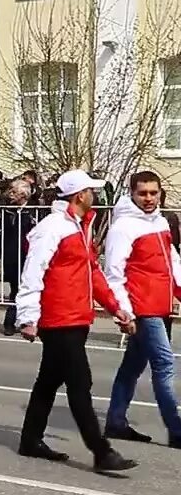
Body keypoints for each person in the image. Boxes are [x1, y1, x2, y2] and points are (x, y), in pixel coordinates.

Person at [15, 169, 137, 472]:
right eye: (90, 191)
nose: (94, 195)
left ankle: (30, 440)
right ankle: (101, 451)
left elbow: (91, 272)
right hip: (59, 320)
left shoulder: (80, 227)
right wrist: (27, 316)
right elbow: (33, 271)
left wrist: (115, 306)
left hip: (77, 317)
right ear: (79, 195)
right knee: (80, 383)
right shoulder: (53, 227)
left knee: (49, 380)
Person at [101, 170, 181, 448]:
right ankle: (176, 429)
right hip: (143, 307)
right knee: (164, 364)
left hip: (160, 305)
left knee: (132, 365)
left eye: (153, 192)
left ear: (160, 193)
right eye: (142, 193)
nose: (148, 198)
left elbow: (172, 261)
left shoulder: (160, 222)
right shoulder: (123, 227)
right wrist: (124, 311)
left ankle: (115, 421)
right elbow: (114, 273)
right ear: (132, 194)